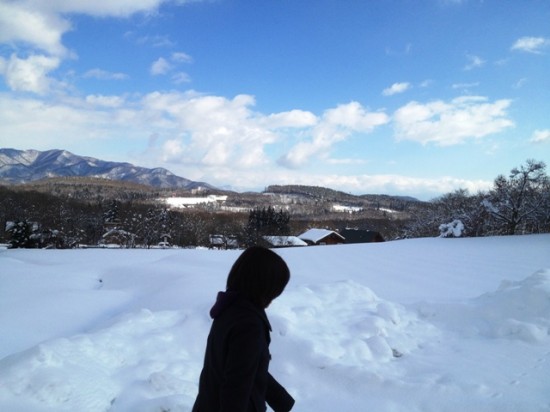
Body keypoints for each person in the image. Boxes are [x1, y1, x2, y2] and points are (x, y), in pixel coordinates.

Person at [192, 246, 295, 412]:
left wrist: (281, 399)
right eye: (276, 290)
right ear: (264, 286)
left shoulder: (229, 308)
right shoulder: (249, 325)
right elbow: (235, 388)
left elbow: (246, 368)